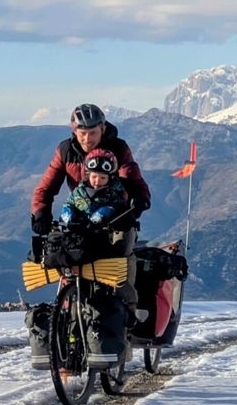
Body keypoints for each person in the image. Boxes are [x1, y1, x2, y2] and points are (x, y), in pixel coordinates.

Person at [31, 103, 151, 323]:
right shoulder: (66, 151)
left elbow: (131, 176)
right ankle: (65, 309)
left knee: (122, 258)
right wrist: (40, 213)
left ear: (102, 129)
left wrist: (139, 201)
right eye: (82, 133)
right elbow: (46, 187)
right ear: (74, 130)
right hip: (81, 217)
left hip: (116, 217)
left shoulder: (117, 148)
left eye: (92, 133)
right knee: (63, 255)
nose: (87, 139)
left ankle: (128, 311)